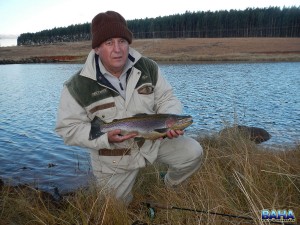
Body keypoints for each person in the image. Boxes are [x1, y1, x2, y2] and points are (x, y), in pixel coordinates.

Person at [55, 10, 203, 204]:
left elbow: (167, 97)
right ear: (97, 48)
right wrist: (104, 136)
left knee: (193, 153)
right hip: (114, 156)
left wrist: (171, 122)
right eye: (109, 43)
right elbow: (67, 129)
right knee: (116, 208)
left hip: (154, 141)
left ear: (128, 43)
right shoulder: (77, 86)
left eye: (122, 41)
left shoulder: (148, 68)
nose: (118, 49)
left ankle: (170, 187)